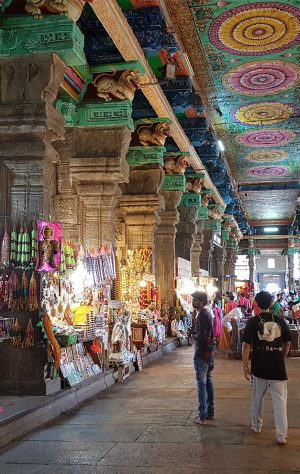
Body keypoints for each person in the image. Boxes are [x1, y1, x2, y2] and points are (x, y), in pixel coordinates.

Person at [242, 291, 291, 445]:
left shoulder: (252, 322)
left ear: (256, 303)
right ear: (271, 304)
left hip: (259, 365)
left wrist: (245, 366)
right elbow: (288, 343)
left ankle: (256, 426)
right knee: (280, 401)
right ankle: (281, 435)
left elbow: (245, 345)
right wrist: (281, 357)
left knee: (257, 397)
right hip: (277, 367)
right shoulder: (281, 321)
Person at [191, 291, 215, 425]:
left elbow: (203, 337)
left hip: (203, 353)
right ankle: (210, 411)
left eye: (194, 300)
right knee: (208, 381)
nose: (192, 302)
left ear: (200, 302)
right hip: (210, 353)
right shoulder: (207, 313)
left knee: (201, 382)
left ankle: (203, 416)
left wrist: (194, 337)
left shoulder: (202, 315)